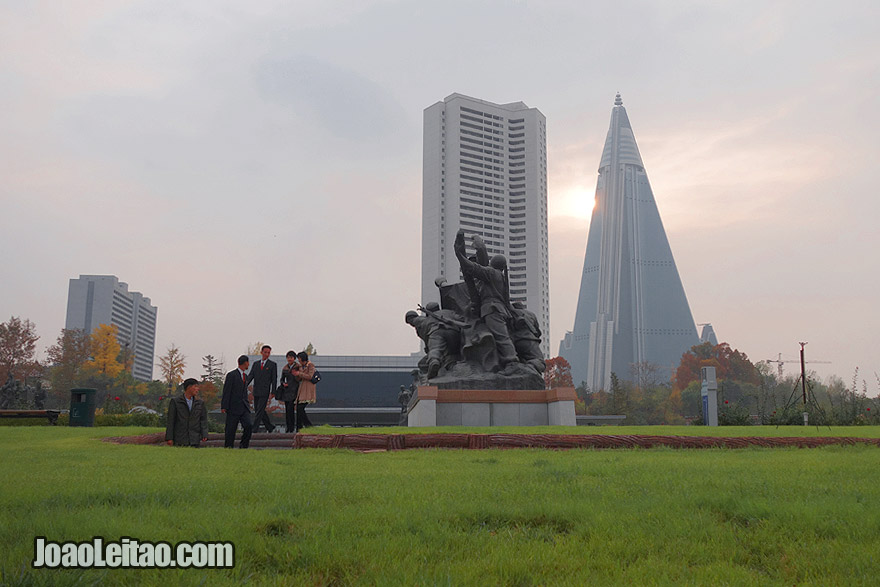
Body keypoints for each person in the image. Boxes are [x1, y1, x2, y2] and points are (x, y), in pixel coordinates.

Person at [454, 230, 517, 369]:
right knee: (497, 336)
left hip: (492, 309)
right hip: (495, 309)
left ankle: (512, 362)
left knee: (501, 337)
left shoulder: (491, 273)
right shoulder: (500, 276)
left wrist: (460, 254)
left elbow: (474, 266)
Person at [221, 355, 253, 448]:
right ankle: (228, 447)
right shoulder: (232, 375)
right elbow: (227, 391)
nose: (249, 364)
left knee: (248, 426)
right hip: (233, 407)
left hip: (244, 407)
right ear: (245, 363)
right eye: (248, 362)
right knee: (231, 429)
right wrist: (224, 406)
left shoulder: (245, 376)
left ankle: (243, 446)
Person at [165, 378, 208, 447]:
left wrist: (204, 434)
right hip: (180, 438)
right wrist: (169, 438)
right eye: (195, 386)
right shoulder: (176, 402)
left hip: (194, 439)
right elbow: (171, 420)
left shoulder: (200, 403)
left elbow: (203, 420)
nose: (197, 389)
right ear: (189, 387)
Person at [248, 344, 278, 433]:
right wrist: (244, 385)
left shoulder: (272, 365)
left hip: (265, 391)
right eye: (265, 352)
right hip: (256, 390)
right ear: (261, 352)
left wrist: (273, 392)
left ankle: (254, 429)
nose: (267, 354)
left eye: (268, 353)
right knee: (258, 410)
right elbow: (251, 376)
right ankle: (269, 426)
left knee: (260, 410)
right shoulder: (256, 364)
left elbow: (274, 379)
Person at [293, 351, 316, 431]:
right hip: (301, 389)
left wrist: (300, 374)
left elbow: (310, 376)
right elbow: (299, 378)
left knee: (301, 408)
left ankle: (308, 425)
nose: (298, 360)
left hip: (308, 389)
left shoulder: (310, 365)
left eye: (299, 358)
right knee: (299, 409)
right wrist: (296, 374)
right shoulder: (300, 366)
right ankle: (299, 427)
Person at [278, 350, 301, 433]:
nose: (289, 359)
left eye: (291, 357)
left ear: (294, 358)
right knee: (288, 411)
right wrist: (283, 383)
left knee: (293, 410)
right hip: (287, 392)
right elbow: (281, 379)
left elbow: (300, 379)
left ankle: (293, 427)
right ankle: (289, 427)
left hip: (295, 391)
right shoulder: (285, 368)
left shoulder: (298, 367)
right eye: (288, 357)